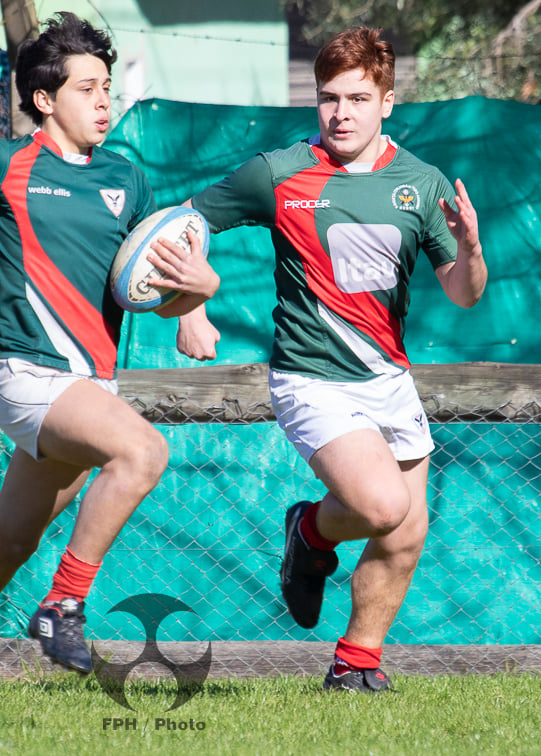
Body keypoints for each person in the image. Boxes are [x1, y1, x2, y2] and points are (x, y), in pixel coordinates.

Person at [0, 12, 217, 722]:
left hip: (90, 389)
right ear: (42, 100)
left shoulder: (128, 179)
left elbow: (158, 280)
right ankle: (64, 605)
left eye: (107, 87)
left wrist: (197, 302)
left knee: (7, 545)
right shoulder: (2, 162)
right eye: (87, 88)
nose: (103, 100)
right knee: (144, 451)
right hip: (30, 381)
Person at [178, 27, 487, 693]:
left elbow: (462, 293)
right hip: (309, 378)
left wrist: (471, 251)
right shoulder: (278, 172)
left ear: (388, 102)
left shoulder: (421, 182)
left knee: (407, 532)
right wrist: (192, 307)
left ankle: (355, 666)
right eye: (327, 98)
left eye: (356, 98)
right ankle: (310, 532)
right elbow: (186, 222)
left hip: (388, 378)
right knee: (379, 507)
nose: (341, 112)